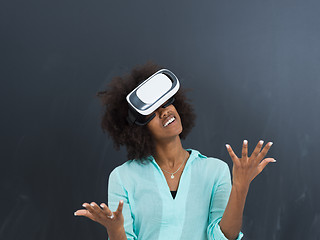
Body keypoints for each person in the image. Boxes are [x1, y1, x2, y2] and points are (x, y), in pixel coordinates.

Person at [74, 62, 276, 240]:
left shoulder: (215, 170)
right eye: (153, 112)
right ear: (138, 128)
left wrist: (240, 187)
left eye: (166, 103)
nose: (165, 112)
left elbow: (222, 238)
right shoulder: (123, 177)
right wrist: (115, 230)